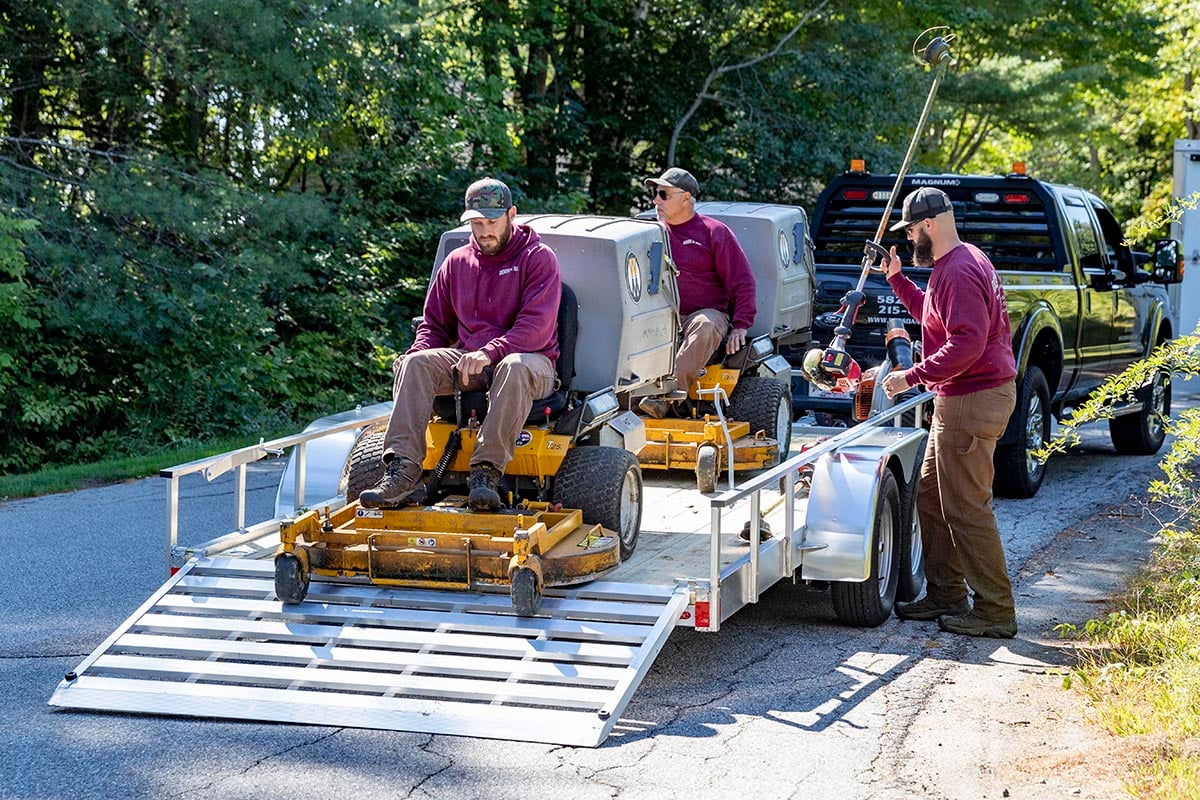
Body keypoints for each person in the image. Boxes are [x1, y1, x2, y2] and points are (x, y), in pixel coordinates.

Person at [359, 177, 561, 511]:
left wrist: (488, 352)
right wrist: (415, 354)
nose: (484, 232)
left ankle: (485, 472)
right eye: (477, 223)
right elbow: (434, 326)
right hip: (474, 362)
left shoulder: (538, 258)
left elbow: (535, 329)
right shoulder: (457, 262)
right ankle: (403, 471)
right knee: (415, 362)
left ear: (512, 214)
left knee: (513, 366)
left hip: (531, 363)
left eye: (492, 222)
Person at [880, 186, 1019, 639]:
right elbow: (936, 317)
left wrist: (912, 376)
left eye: (912, 231)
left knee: (966, 507)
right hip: (962, 398)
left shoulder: (958, 269)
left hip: (972, 399)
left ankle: (996, 611)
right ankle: (946, 593)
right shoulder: (956, 263)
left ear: (930, 225)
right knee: (929, 494)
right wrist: (899, 280)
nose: (910, 239)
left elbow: (967, 343)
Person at [638, 167, 757, 418]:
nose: (655, 200)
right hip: (660, 317)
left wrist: (741, 326)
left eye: (663, 194)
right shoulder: (647, 234)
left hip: (703, 316)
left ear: (686, 198)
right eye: (656, 194)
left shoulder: (715, 232)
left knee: (705, 324)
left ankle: (668, 397)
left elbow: (743, 281)